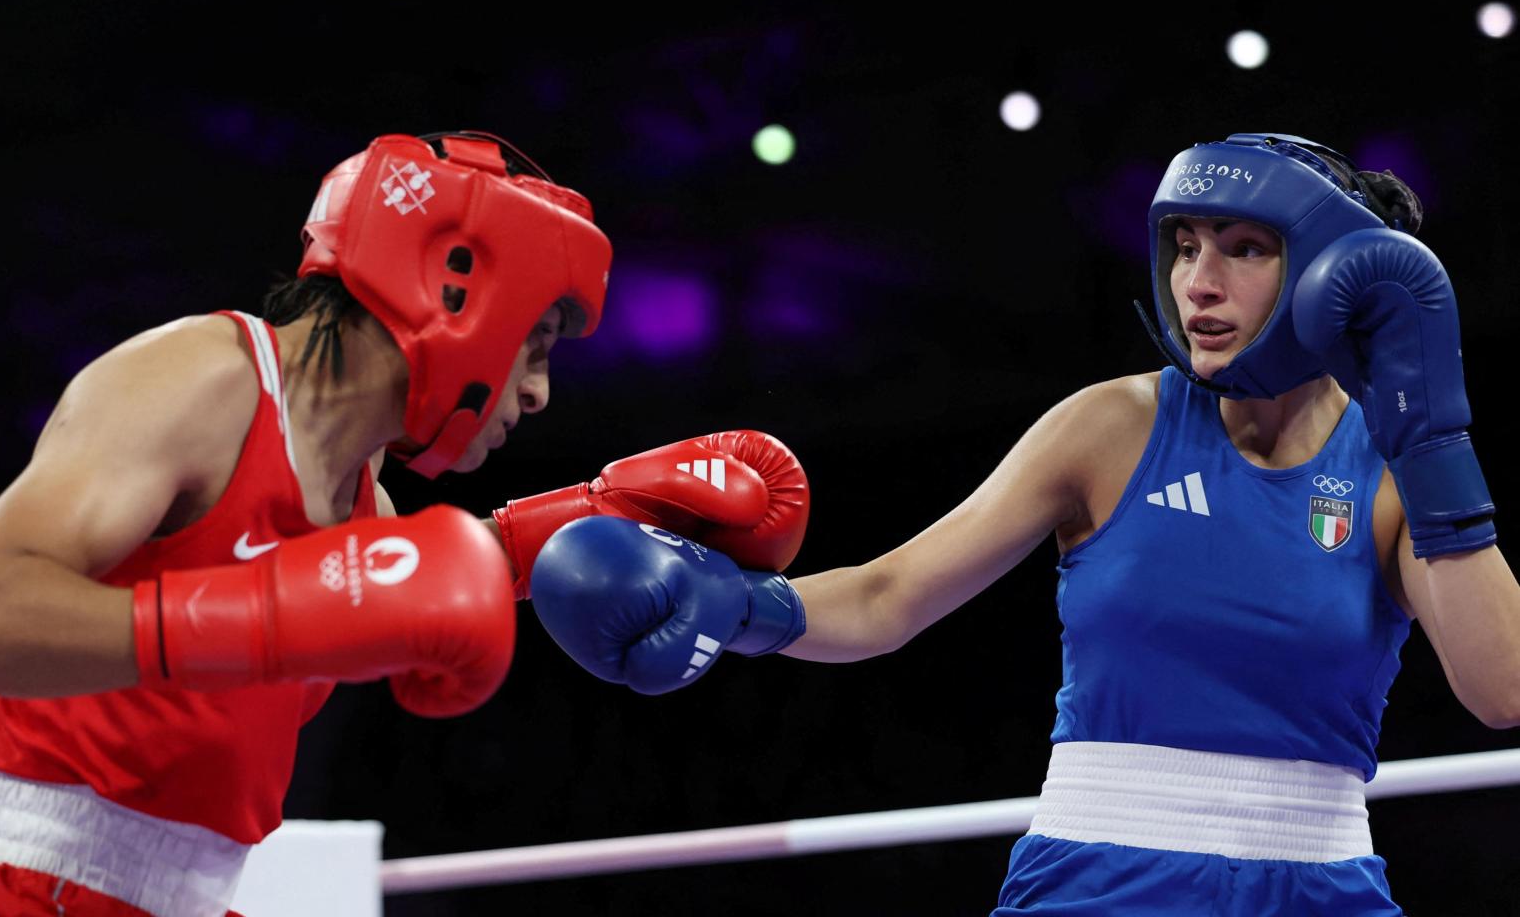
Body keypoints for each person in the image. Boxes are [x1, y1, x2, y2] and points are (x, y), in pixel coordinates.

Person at [530, 133, 1519, 914]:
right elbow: (888, 596)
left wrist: (1431, 442)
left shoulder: (1391, 469)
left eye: (1244, 249)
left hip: (1322, 884)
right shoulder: (1110, 427)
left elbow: (1500, 689)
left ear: (1335, 277)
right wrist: (736, 604)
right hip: (1101, 881)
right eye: (1185, 246)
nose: (1197, 283)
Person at [0, 131, 809, 917]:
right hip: (6, 893)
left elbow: (391, 585)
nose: (536, 390)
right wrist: (262, 615)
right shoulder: (204, 378)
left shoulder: (368, 500)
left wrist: (581, 517)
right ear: (458, 288)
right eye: (538, 342)